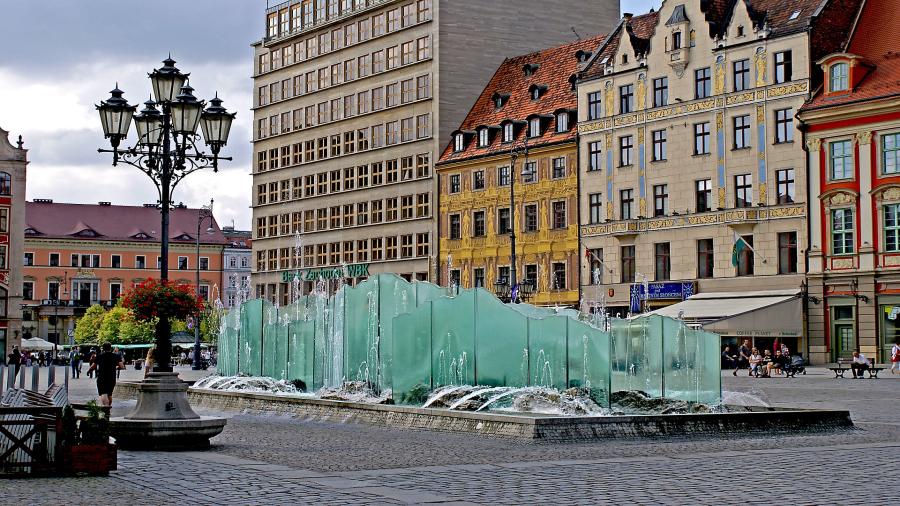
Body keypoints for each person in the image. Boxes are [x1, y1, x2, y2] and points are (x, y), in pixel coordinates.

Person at [88, 343, 124, 407]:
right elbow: (122, 366)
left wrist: (89, 371)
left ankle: (106, 407)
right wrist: (116, 368)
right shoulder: (116, 356)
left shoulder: (99, 356)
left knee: (103, 393)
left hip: (102, 377)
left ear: (103, 348)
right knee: (109, 394)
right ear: (110, 348)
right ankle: (108, 408)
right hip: (112, 377)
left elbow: (93, 366)